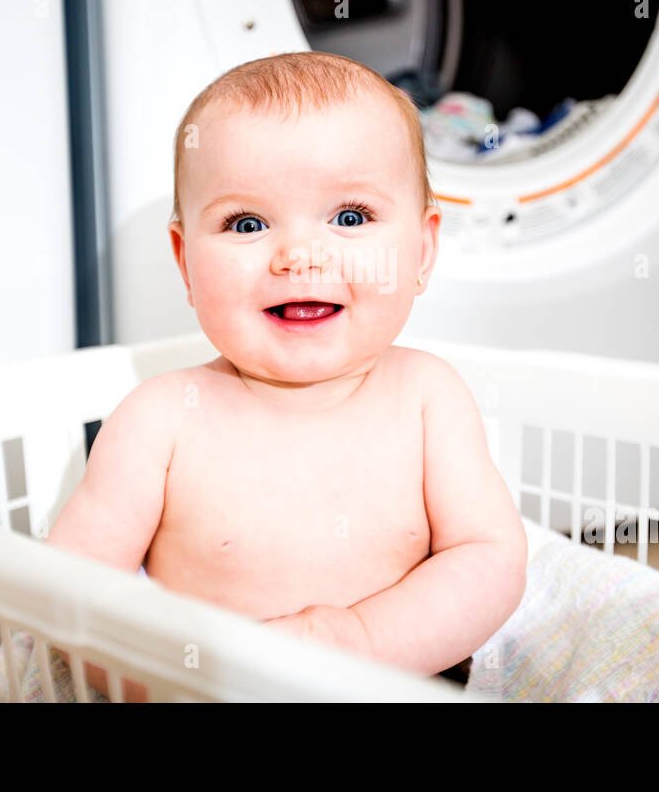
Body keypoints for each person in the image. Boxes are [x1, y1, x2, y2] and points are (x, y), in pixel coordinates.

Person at [46, 51, 526, 699]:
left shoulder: (427, 399)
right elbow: (69, 593)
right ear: (187, 262)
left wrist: (358, 639)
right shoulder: (160, 419)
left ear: (422, 249)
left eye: (350, 218)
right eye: (247, 223)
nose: (299, 255)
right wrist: (164, 682)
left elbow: (489, 561)